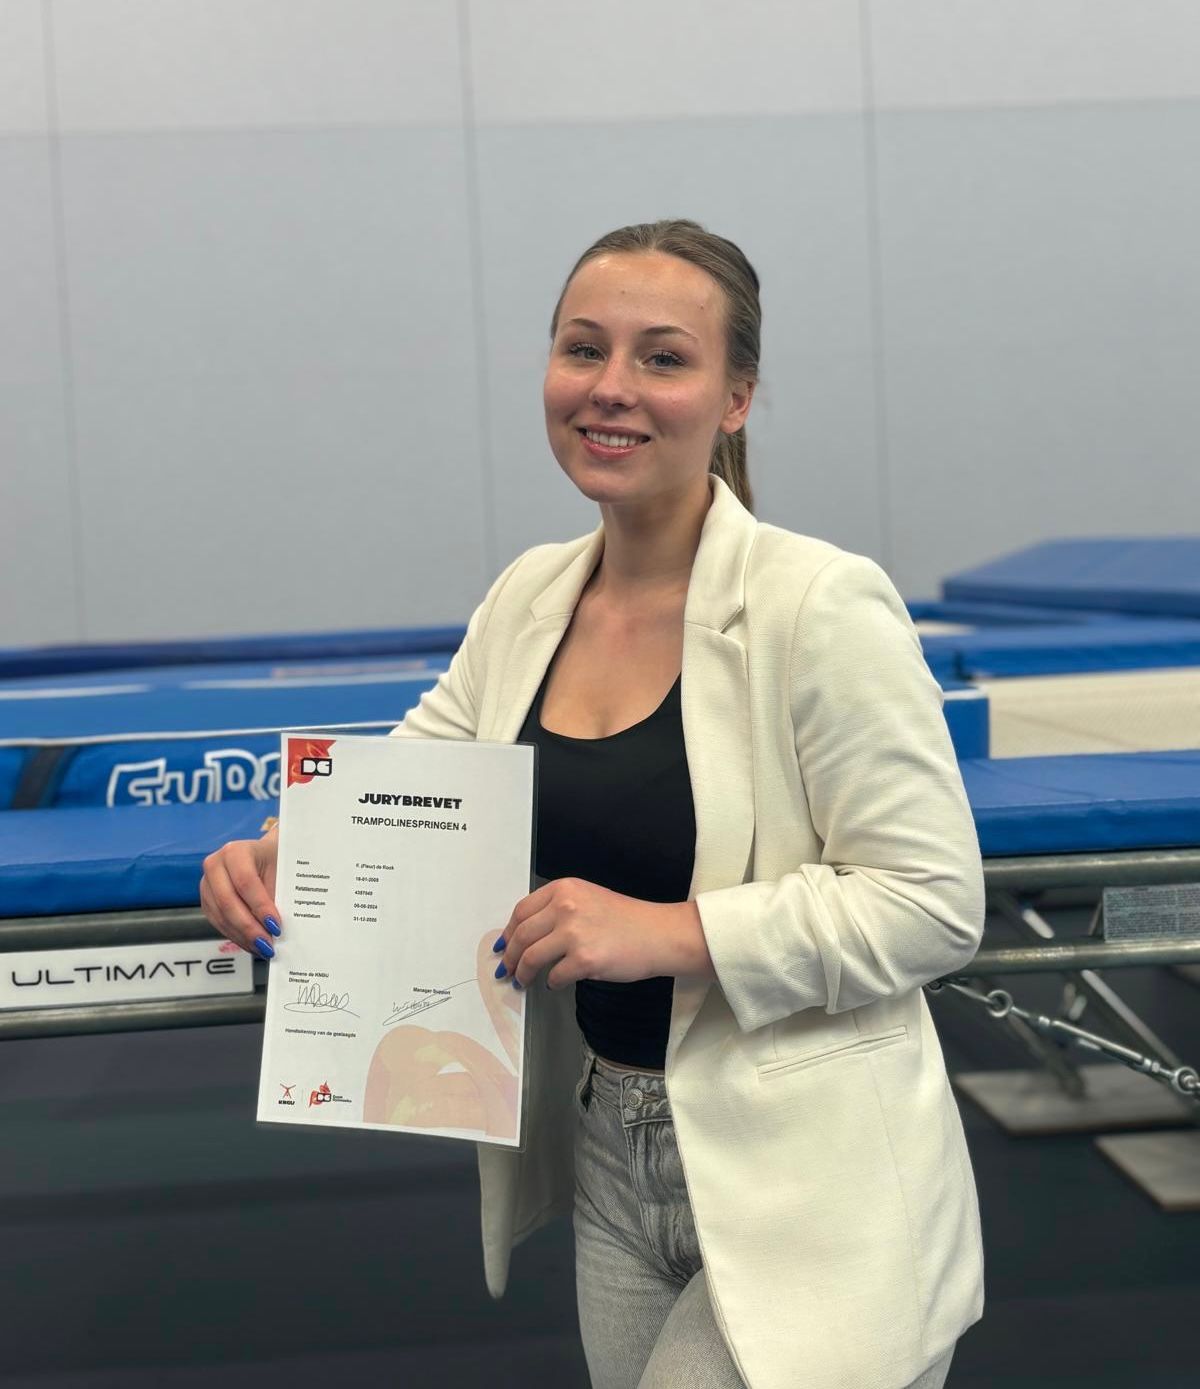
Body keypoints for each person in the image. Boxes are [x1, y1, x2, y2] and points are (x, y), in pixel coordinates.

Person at [200, 218, 985, 1389]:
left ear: (735, 399)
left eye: (663, 358)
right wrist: (281, 849)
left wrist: (669, 931)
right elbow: (408, 785)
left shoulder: (818, 603)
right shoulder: (530, 595)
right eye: (583, 349)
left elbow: (931, 903)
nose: (611, 386)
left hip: (813, 1165)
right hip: (614, 1142)